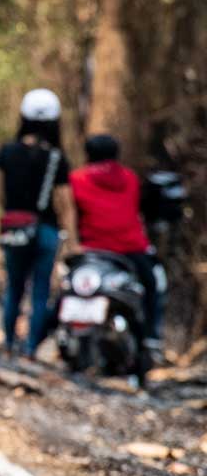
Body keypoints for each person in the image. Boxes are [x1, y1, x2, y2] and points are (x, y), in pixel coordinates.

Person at [69, 134, 162, 358]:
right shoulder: (129, 178)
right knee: (151, 287)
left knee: (67, 289)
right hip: (131, 249)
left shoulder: (76, 179)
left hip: (92, 249)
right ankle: (151, 337)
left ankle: (28, 343)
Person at [0, 89, 72, 357]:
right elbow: (64, 201)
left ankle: (8, 343)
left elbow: (0, 193)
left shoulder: (7, 152)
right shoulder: (56, 157)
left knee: (14, 287)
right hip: (46, 230)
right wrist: (71, 236)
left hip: (15, 227)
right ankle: (30, 348)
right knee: (40, 291)